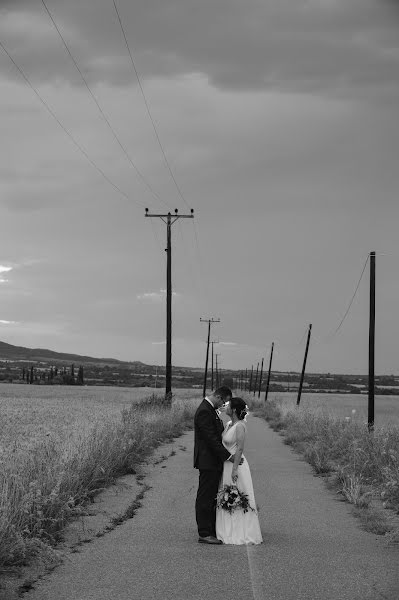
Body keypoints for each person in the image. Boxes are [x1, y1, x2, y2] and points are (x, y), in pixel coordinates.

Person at [194, 386, 239, 545]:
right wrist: (229, 456)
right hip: (208, 462)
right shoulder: (205, 411)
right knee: (205, 497)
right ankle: (204, 533)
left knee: (212, 496)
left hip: (213, 461)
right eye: (224, 402)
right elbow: (211, 440)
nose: (223, 405)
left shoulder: (210, 409)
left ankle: (211, 529)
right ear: (219, 397)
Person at [216, 397, 263, 545]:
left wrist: (235, 469)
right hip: (226, 464)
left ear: (234, 410)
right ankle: (227, 530)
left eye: (228, 405)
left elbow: (240, 448)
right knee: (227, 495)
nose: (226, 407)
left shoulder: (240, 426)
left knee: (238, 493)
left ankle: (242, 531)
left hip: (236, 464)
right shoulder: (229, 424)